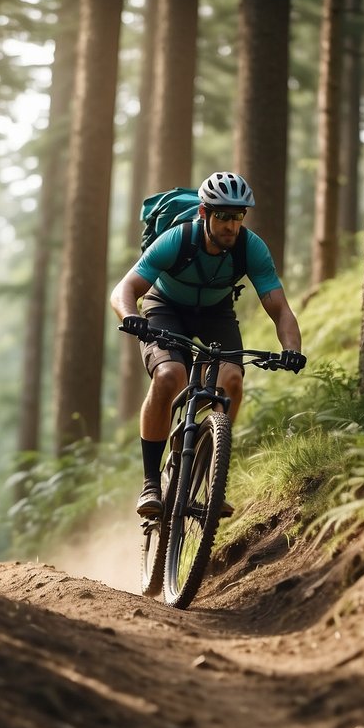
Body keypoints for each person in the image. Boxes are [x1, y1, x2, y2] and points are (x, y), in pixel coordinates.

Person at [109, 171, 305, 518]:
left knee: (231, 380)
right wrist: (130, 315)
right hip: (164, 307)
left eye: (238, 216)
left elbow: (279, 307)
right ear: (204, 213)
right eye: (223, 216)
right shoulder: (177, 240)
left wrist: (292, 349)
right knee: (171, 376)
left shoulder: (250, 248)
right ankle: (152, 482)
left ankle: (211, 479)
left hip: (215, 313)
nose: (231, 225)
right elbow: (123, 289)